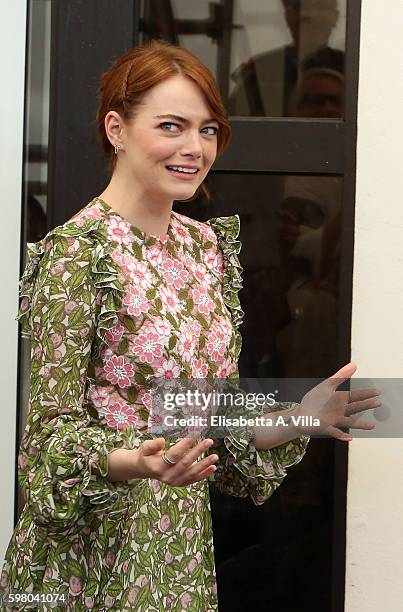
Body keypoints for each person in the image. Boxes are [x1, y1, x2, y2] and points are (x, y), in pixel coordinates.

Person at [1, 40, 378, 611]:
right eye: (172, 126)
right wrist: (136, 460)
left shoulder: (204, 248)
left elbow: (208, 417)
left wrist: (303, 414)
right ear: (116, 129)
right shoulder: (77, 254)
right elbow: (46, 442)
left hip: (176, 551)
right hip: (90, 559)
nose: (193, 147)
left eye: (207, 130)